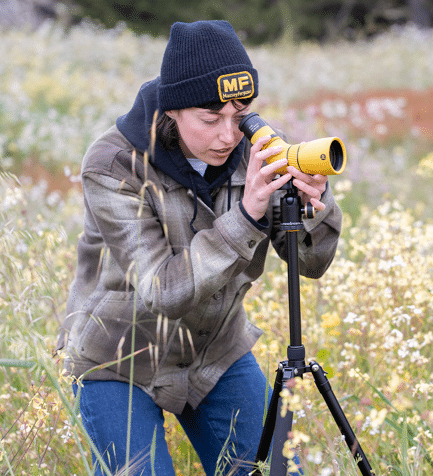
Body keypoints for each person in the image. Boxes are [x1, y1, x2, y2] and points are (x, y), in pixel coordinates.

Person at [57, 20, 342, 476]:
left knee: (272, 472)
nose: (229, 136)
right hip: (117, 357)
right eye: (210, 120)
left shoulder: (252, 147)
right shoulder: (113, 165)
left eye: (240, 115)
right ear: (172, 110)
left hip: (214, 350)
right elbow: (162, 291)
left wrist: (313, 203)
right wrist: (247, 216)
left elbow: (311, 263)